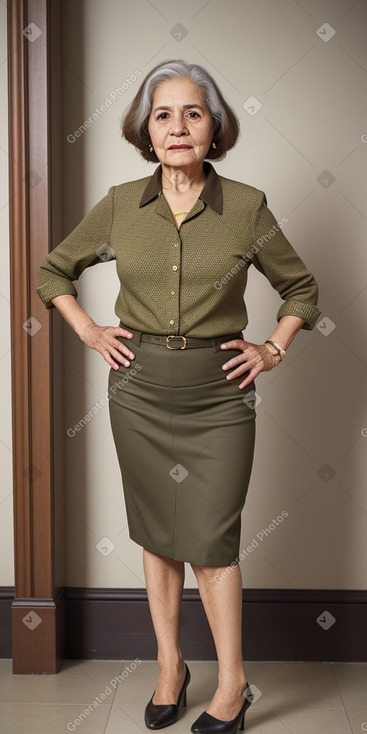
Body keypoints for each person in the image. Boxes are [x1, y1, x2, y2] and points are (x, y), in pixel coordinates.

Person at [37, 58, 321, 733]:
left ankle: (234, 684)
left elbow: (301, 290)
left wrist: (272, 349)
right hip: (136, 393)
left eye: (193, 113)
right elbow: (54, 270)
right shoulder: (118, 204)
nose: (178, 126)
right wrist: (88, 331)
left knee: (212, 541)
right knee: (159, 537)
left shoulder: (245, 206)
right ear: (146, 128)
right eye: (163, 114)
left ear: (213, 128)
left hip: (219, 396)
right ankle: (170, 667)